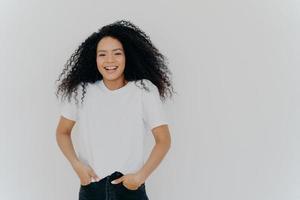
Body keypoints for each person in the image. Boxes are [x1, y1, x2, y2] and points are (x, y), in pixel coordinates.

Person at [55, 20, 174, 200]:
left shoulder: (144, 90)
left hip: (130, 189)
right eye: (102, 54)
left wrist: (140, 177)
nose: (109, 60)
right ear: (94, 58)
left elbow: (163, 139)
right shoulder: (81, 91)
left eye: (117, 53)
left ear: (128, 56)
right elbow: (62, 132)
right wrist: (77, 165)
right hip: (91, 189)